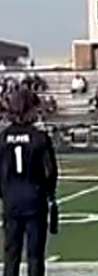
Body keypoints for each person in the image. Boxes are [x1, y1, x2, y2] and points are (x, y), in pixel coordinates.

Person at [0, 87, 58, 276]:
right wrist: (49, 193)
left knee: (11, 255)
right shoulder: (39, 137)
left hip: (11, 202)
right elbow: (50, 172)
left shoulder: (2, 138)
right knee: (35, 256)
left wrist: (4, 193)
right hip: (35, 201)